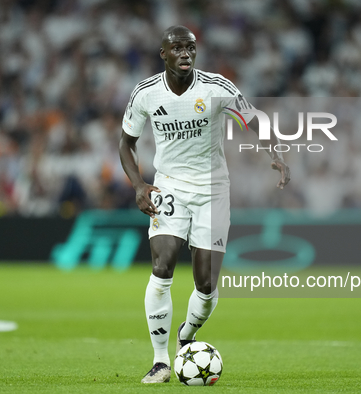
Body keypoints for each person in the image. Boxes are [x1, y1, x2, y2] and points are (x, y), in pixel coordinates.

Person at [119, 25, 290, 384]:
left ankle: (186, 336)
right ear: (163, 54)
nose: (185, 54)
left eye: (191, 48)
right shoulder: (146, 93)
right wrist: (137, 185)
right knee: (162, 267)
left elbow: (254, 118)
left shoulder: (217, 88)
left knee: (206, 284)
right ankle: (160, 360)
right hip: (168, 187)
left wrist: (274, 152)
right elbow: (126, 143)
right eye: (177, 48)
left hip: (213, 189)